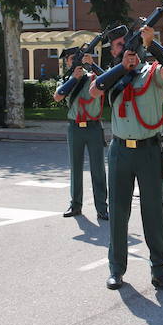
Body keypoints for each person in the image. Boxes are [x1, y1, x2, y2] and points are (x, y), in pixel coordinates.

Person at [89, 24, 163, 291]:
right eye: (119, 46)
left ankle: (159, 269)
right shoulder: (113, 76)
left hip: (149, 150)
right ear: (114, 51)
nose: (124, 49)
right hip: (120, 150)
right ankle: (116, 269)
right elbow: (95, 91)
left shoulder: (150, 71)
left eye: (127, 44)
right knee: (118, 211)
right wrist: (122, 67)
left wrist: (152, 43)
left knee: (153, 211)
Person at [54, 50, 108, 222]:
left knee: (97, 169)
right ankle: (75, 205)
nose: (71, 62)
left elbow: (110, 80)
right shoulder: (67, 79)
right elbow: (57, 97)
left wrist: (92, 65)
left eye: (74, 59)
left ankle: (102, 208)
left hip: (93, 127)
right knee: (75, 168)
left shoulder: (93, 76)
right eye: (70, 60)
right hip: (75, 127)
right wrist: (73, 79)